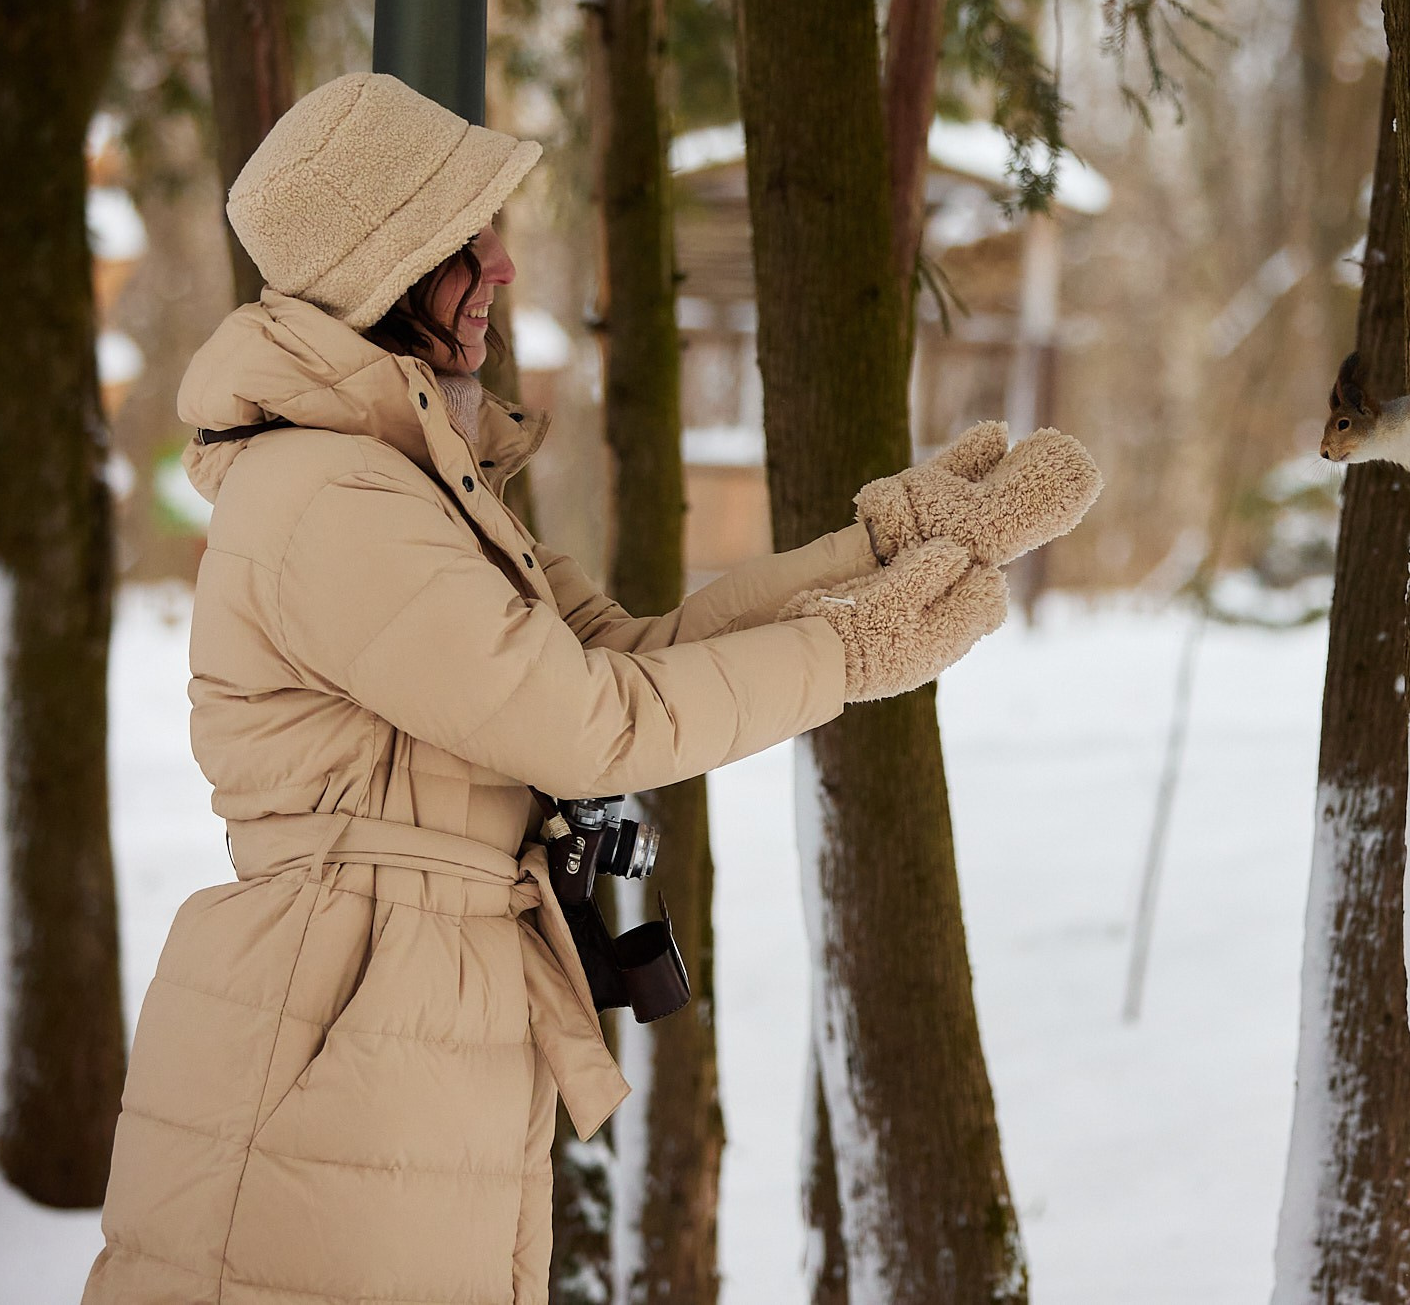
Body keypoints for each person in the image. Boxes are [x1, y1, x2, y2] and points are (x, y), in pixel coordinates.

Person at [83, 72, 1099, 1305]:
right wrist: (853, 652)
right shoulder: (329, 504)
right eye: (468, 242)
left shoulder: (417, 489)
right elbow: (587, 729)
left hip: (407, 1011)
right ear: (388, 269)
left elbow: (623, 656)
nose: (502, 268)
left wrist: (878, 552)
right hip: (333, 1035)